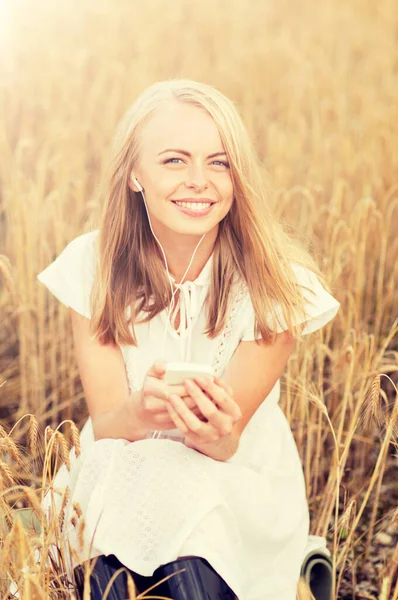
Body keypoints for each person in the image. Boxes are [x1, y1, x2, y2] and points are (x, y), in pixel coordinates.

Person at [36, 79, 340, 600]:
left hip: (233, 480)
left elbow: (226, 444)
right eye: (174, 161)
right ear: (134, 174)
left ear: (237, 175)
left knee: (191, 516)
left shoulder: (276, 287)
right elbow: (108, 426)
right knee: (121, 522)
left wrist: (212, 430)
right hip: (122, 465)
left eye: (219, 163)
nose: (199, 181)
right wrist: (143, 414)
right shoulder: (94, 267)